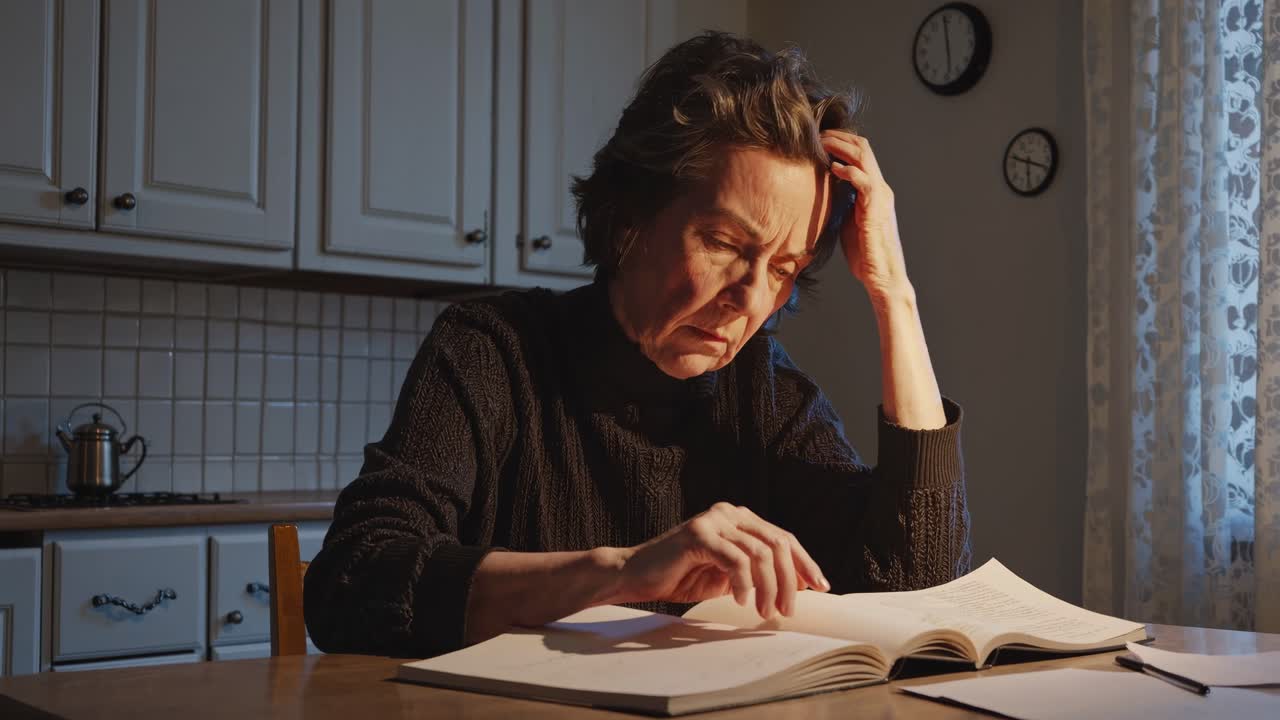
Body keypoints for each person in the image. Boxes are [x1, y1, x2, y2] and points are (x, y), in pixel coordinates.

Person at [304, 31, 970, 658]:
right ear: (630, 218)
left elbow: (916, 584)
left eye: (783, 268)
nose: (749, 300)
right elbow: (352, 585)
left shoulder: (765, 392)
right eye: (725, 244)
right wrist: (622, 571)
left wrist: (894, 296)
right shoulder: (492, 351)